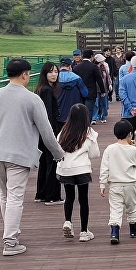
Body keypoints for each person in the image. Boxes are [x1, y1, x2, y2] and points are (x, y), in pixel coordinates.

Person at [0, 59, 65, 256]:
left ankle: (11, 232)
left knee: (5, 195)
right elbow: (47, 131)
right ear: (25, 74)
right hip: (19, 156)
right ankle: (10, 242)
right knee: (16, 197)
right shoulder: (32, 99)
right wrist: (58, 153)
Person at [56, 103, 99, 242]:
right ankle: (84, 231)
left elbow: (58, 149)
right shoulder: (89, 133)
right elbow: (94, 154)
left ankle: (68, 221)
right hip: (82, 170)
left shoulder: (63, 132)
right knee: (83, 199)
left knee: (69, 197)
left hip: (66, 170)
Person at [99, 120, 136, 244]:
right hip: (130, 184)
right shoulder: (133, 150)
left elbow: (104, 168)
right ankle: (133, 231)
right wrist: (134, 148)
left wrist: (102, 184)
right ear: (130, 134)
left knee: (115, 208)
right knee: (131, 206)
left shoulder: (110, 149)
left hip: (115, 185)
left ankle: (114, 233)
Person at [34, 62, 64, 205]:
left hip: (41, 132)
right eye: (51, 72)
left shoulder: (41, 89)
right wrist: (52, 135)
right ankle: (52, 196)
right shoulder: (46, 90)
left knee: (44, 163)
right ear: (44, 74)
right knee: (52, 162)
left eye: (56, 72)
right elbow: (47, 115)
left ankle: (41, 193)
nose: (54, 75)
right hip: (48, 131)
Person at [73, 49, 105, 123]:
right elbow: (99, 79)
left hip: (79, 92)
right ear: (91, 56)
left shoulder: (76, 67)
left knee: (80, 110)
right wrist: (102, 91)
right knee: (89, 110)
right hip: (91, 92)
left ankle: (80, 126)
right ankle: (87, 127)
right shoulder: (93, 67)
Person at [57, 58, 88, 125]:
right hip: (74, 109)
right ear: (70, 67)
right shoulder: (77, 78)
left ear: (60, 67)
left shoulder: (55, 78)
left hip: (59, 110)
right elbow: (85, 93)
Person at [92, 53, 112, 125]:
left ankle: (103, 117)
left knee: (104, 103)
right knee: (96, 103)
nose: (103, 61)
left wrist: (110, 84)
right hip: (95, 87)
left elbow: (108, 75)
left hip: (104, 86)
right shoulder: (94, 67)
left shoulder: (105, 66)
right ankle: (94, 117)